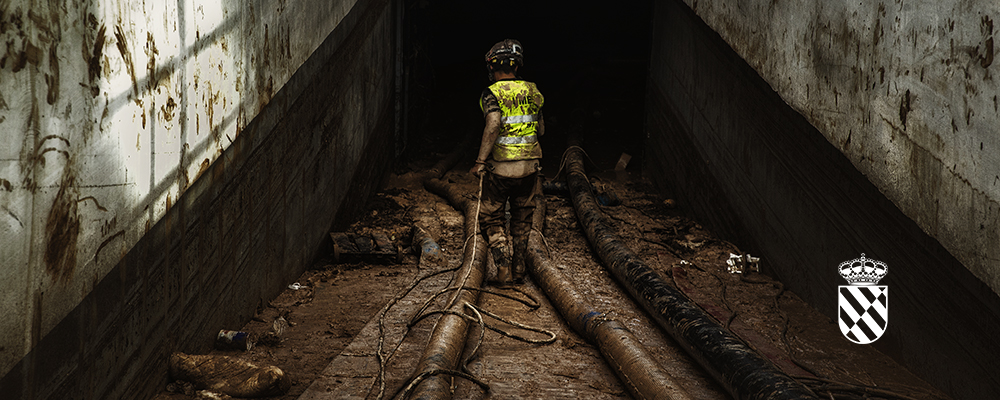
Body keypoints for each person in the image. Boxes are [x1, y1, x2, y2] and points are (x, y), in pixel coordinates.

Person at [469, 39, 545, 285]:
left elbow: (493, 125)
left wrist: (480, 161)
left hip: (501, 169)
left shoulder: (492, 93)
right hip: (530, 167)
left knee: (492, 217)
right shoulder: (533, 91)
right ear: (516, 66)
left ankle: (503, 270)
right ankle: (520, 269)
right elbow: (541, 129)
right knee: (523, 218)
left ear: (492, 67)